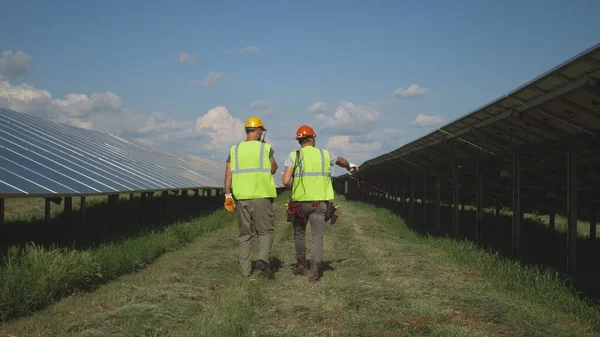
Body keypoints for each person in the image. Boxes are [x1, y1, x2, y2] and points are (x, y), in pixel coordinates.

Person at [282, 125, 358, 283]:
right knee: (317, 237)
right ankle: (314, 271)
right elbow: (341, 161)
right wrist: (349, 165)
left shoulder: (294, 155)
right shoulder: (324, 154)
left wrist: (295, 188)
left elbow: (285, 181)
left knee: (299, 234)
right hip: (319, 204)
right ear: (311, 138)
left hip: (299, 204)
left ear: (299, 141)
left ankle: (301, 266)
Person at [224, 116, 278, 279]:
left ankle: (245, 272)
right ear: (259, 130)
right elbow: (274, 169)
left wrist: (228, 195)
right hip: (262, 196)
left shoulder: (234, 149)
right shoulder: (265, 148)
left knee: (245, 234)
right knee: (265, 231)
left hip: (242, 198)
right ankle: (262, 259)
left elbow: (228, 174)